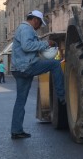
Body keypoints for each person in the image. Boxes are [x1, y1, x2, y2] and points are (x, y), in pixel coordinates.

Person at [10, 10, 65, 140]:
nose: (40, 27)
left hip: (19, 69)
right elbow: (27, 46)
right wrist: (47, 43)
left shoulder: (22, 29)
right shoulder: (27, 29)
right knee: (55, 64)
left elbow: (28, 48)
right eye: (40, 24)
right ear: (35, 20)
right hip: (27, 67)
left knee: (20, 101)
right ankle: (63, 97)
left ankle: (16, 131)